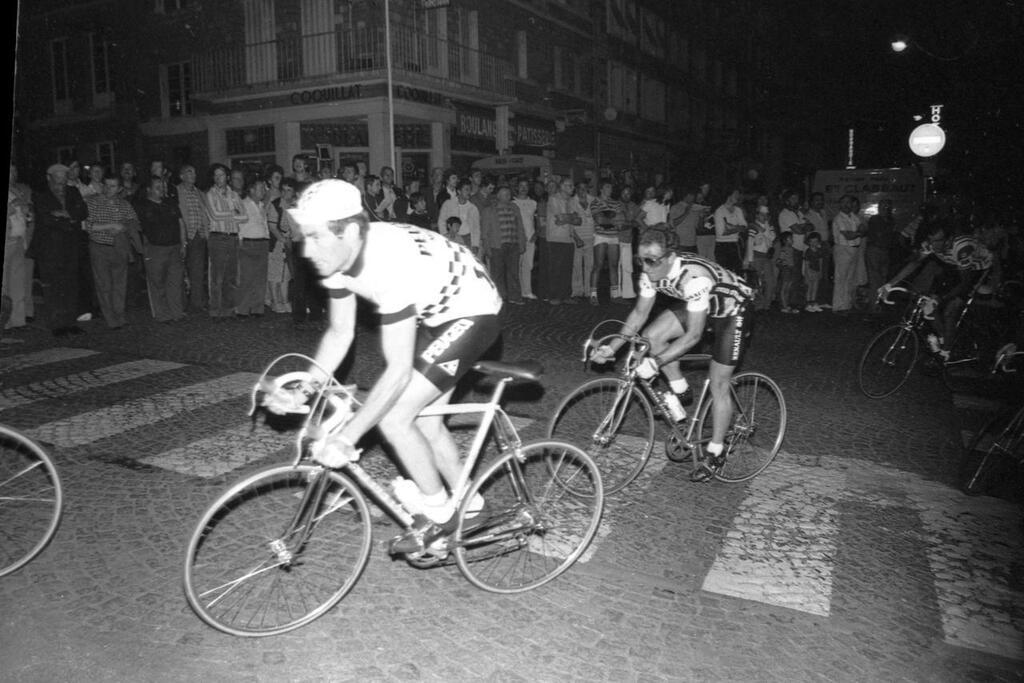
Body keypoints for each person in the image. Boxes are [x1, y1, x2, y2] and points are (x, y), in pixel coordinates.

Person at [278, 179, 503, 553]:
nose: (306, 249)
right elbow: (339, 332)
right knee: (427, 422)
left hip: (474, 310)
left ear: (349, 230)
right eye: (304, 237)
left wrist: (348, 437)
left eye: (315, 237)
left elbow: (397, 372)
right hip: (435, 311)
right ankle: (473, 505)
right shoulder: (337, 256)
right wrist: (303, 388)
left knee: (394, 417)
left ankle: (439, 513)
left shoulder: (387, 263)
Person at [589, 228, 753, 482]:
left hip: (733, 311)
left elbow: (694, 336)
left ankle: (716, 452)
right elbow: (639, 315)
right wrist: (612, 348)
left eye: (652, 261)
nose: (645, 267)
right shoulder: (650, 273)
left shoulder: (694, 278)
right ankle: (681, 390)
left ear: (670, 257)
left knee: (719, 382)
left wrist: (656, 363)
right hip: (700, 305)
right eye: (640, 260)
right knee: (652, 337)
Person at [880, 221, 995, 359]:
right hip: (953, 265)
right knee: (927, 304)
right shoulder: (931, 243)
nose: (932, 245)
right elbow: (915, 262)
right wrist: (889, 285)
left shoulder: (962, 247)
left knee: (950, 310)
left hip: (978, 270)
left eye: (937, 241)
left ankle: (946, 353)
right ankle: (944, 338)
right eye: (930, 240)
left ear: (949, 239)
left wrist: (941, 299)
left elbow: (965, 282)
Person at [33, 163, 89, 336]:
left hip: (71, 247)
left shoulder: (73, 192)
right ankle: (57, 325)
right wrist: (69, 220)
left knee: (71, 285)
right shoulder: (40, 195)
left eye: (64, 183)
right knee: (54, 288)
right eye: (57, 183)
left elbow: (83, 212)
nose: (61, 187)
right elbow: (47, 219)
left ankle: (70, 322)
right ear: (49, 179)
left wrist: (64, 216)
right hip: (50, 249)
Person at [83, 174, 140, 329]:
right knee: (104, 285)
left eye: (113, 186)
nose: (108, 189)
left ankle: (120, 315)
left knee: (120, 284)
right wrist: (110, 226)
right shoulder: (93, 202)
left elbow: (134, 222)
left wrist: (123, 226)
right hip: (100, 247)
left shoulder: (124, 204)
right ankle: (110, 318)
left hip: (119, 247)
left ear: (120, 188)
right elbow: (87, 226)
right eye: (106, 185)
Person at [134, 175, 186, 322]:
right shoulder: (142, 206)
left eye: (163, 187)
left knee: (175, 282)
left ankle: (177, 313)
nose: (162, 190)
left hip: (174, 247)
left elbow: (181, 223)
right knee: (157, 283)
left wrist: (183, 244)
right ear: (149, 189)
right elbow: (136, 228)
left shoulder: (170, 203)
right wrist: (142, 248)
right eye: (158, 187)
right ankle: (162, 314)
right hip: (155, 249)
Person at [205, 163, 246, 318]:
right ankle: (215, 310)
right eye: (216, 175)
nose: (218, 178)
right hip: (218, 237)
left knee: (231, 275)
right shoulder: (210, 194)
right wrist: (232, 212)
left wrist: (228, 213)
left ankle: (228, 309)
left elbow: (245, 217)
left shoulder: (234, 195)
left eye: (221, 175)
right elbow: (214, 215)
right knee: (217, 276)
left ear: (227, 177)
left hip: (232, 237)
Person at [480, 185, 527, 305]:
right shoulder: (489, 210)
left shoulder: (515, 208)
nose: (508, 196)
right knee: (497, 274)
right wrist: (487, 247)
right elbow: (485, 231)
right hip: (497, 246)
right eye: (504, 194)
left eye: (508, 193)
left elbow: (520, 226)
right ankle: (499, 297)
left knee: (514, 273)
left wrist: (522, 242)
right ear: (498, 196)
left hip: (513, 244)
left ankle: (515, 296)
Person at [4, 164, 34, 330]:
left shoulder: (17, 190)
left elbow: (26, 214)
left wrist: (27, 212)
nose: (13, 174)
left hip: (18, 240)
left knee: (17, 281)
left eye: (15, 171)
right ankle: (5, 321)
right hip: (8, 240)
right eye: (11, 171)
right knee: (5, 284)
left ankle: (18, 319)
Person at [177, 164, 211, 312]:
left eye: (194, 172)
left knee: (197, 271)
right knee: (180, 272)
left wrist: (206, 231)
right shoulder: (176, 192)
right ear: (181, 176)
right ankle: (180, 304)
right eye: (189, 172)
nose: (193, 175)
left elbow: (206, 214)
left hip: (198, 236)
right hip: (182, 236)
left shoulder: (200, 194)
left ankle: (197, 303)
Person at [235, 176, 271, 317]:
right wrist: (239, 242)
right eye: (260, 188)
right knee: (246, 277)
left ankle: (257, 308)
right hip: (248, 243)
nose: (263, 191)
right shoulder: (243, 204)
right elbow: (238, 225)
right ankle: (242, 309)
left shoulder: (261, 205)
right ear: (251, 190)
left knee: (260, 277)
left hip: (262, 242)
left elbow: (264, 223)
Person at [831, 194, 866, 314]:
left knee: (850, 278)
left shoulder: (853, 217)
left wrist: (857, 233)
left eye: (849, 203)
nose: (847, 205)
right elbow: (848, 235)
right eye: (844, 203)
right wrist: (859, 233)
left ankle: (846, 304)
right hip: (843, 248)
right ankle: (838, 306)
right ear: (840, 205)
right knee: (841, 278)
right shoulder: (839, 219)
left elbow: (862, 228)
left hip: (854, 249)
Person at [590, 179, 622, 302]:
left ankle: (615, 295)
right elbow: (599, 220)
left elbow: (620, 219)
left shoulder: (616, 203)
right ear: (601, 189)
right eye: (608, 187)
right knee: (597, 265)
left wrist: (608, 219)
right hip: (601, 236)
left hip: (614, 236)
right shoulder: (595, 203)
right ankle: (593, 295)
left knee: (613, 265)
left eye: (611, 187)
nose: (611, 189)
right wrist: (613, 220)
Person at [437, 179, 481, 255]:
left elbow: (476, 228)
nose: (469, 192)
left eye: (470, 190)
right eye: (466, 189)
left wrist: (475, 244)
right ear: (459, 191)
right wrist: (445, 236)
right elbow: (441, 221)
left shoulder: (473, 208)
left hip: (468, 238)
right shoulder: (448, 204)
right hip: (452, 237)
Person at [512, 179, 538, 299]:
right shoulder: (513, 202)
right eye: (521, 185)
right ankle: (517, 291)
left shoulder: (533, 203)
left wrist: (535, 233)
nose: (523, 188)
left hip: (530, 238)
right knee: (516, 265)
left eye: (526, 186)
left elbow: (536, 220)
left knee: (528, 265)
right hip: (517, 238)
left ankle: (527, 291)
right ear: (517, 187)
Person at [746, 205, 776, 311]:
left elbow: (772, 237)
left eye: (766, 214)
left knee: (770, 281)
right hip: (756, 256)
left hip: (766, 256)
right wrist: (749, 260)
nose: (764, 216)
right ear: (757, 214)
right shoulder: (753, 226)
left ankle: (766, 305)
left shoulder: (769, 226)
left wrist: (764, 228)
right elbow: (750, 243)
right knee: (755, 282)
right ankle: (757, 305)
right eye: (762, 214)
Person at [713, 188, 746, 272]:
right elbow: (721, 233)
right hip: (722, 246)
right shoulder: (719, 211)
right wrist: (738, 228)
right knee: (725, 272)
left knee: (738, 272)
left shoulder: (738, 210)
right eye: (736, 194)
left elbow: (745, 226)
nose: (738, 196)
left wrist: (731, 227)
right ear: (729, 196)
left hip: (735, 244)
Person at [803, 232, 827, 312]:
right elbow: (806, 263)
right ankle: (808, 304)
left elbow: (820, 261)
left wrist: (820, 271)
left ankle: (813, 302)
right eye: (812, 241)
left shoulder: (819, 251)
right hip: (810, 270)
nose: (814, 243)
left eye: (816, 241)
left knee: (815, 287)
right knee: (809, 287)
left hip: (816, 271)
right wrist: (807, 272)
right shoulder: (808, 251)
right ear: (809, 242)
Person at [775, 231, 797, 313]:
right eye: (791, 239)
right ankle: (784, 306)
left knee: (788, 288)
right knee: (784, 288)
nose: (792, 240)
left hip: (791, 269)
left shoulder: (791, 249)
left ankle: (786, 305)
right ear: (785, 240)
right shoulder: (784, 250)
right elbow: (779, 261)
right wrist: (782, 264)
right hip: (786, 269)